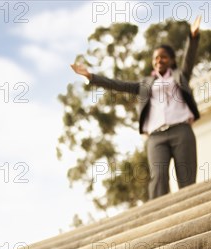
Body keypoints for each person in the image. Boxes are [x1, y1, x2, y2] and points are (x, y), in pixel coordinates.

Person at [71, 16, 202, 200]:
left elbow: (189, 59)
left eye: (163, 57)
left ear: (171, 60)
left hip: (181, 130)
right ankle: (160, 220)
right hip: (156, 136)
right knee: (158, 179)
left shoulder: (180, 76)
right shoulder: (145, 84)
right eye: (156, 58)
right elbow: (118, 84)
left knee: (187, 177)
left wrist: (193, 36)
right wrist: (91, 77)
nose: (159, 60)